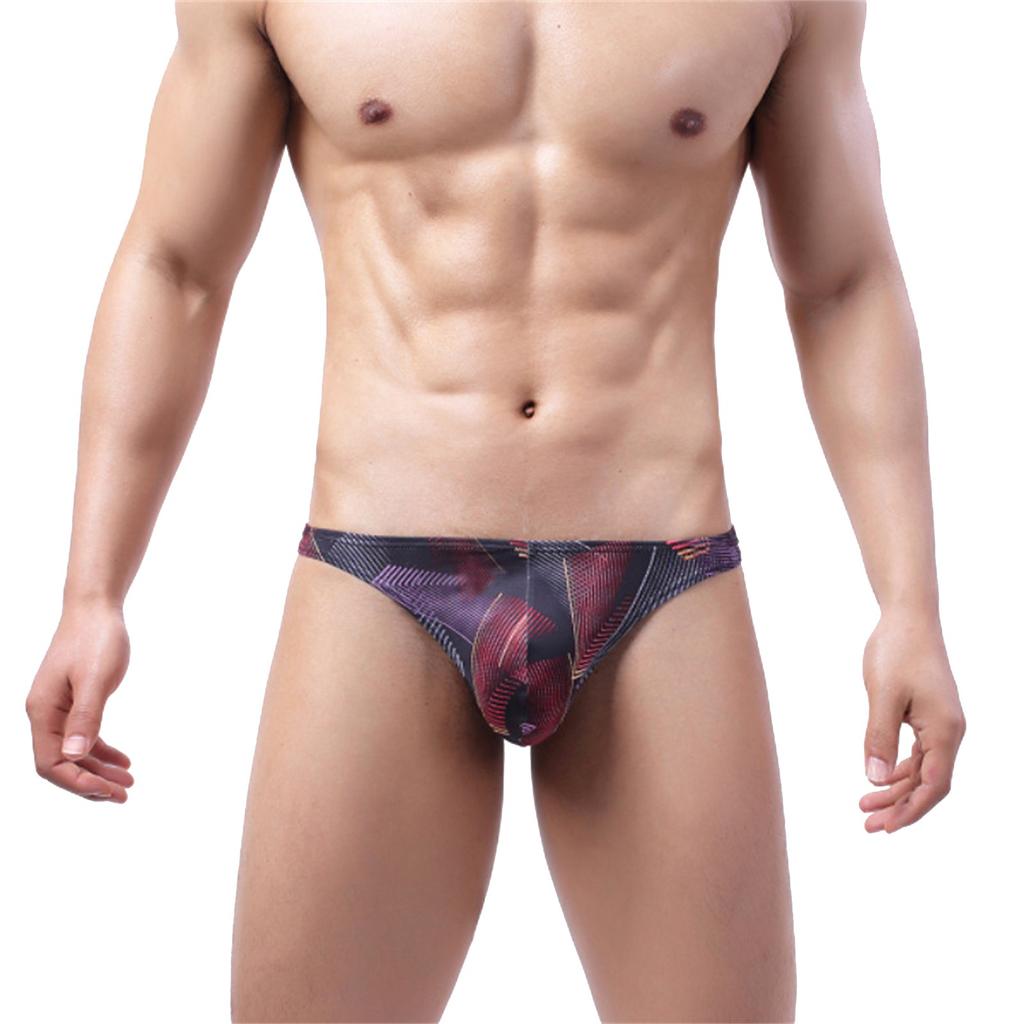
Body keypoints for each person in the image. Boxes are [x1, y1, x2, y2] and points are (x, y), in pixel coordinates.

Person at [24, 2, 967, 1021]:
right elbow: (177, 268)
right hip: (381, 563)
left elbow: (842, 283)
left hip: (662, 566)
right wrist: (93, 592)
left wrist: (908, 602)